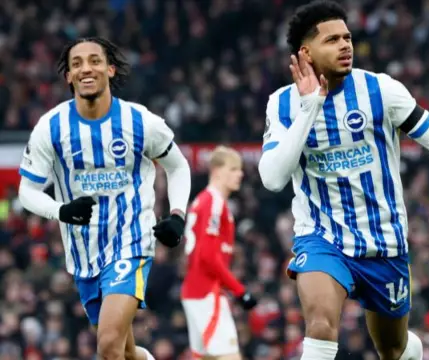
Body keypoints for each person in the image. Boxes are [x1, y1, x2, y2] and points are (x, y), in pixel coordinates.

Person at [258, 1, 429, 359]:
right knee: (321, 325)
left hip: (384, 243)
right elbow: (273, 178)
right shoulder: (283, 104)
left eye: (347, 37)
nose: (345, 45)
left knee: (393, 349)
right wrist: (310, 108)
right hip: (322, 237)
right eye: (333, 40)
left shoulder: (380, 91)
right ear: (306, 52)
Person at [17, 37, 191, 360]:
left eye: (95, 60)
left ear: (110, 69)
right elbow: (26, 192)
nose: (87, 68)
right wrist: (62, 210)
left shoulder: (140, 122)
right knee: (125, 352)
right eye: (77, 63)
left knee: (108, 346)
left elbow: (178, 166)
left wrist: (178, 215)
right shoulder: (51, 128)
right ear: (68, 76)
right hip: (84, 256)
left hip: (132, 242)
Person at [181, 146, 258, 360]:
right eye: (233, 169)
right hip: (206, 291)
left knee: (205, 357)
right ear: (216, 171)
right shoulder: (213, 202)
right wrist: (239, 290)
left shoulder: (202, 201)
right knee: (229, 356)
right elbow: (207, 257)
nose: (240, 174)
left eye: (240, 169)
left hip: (195, 290)